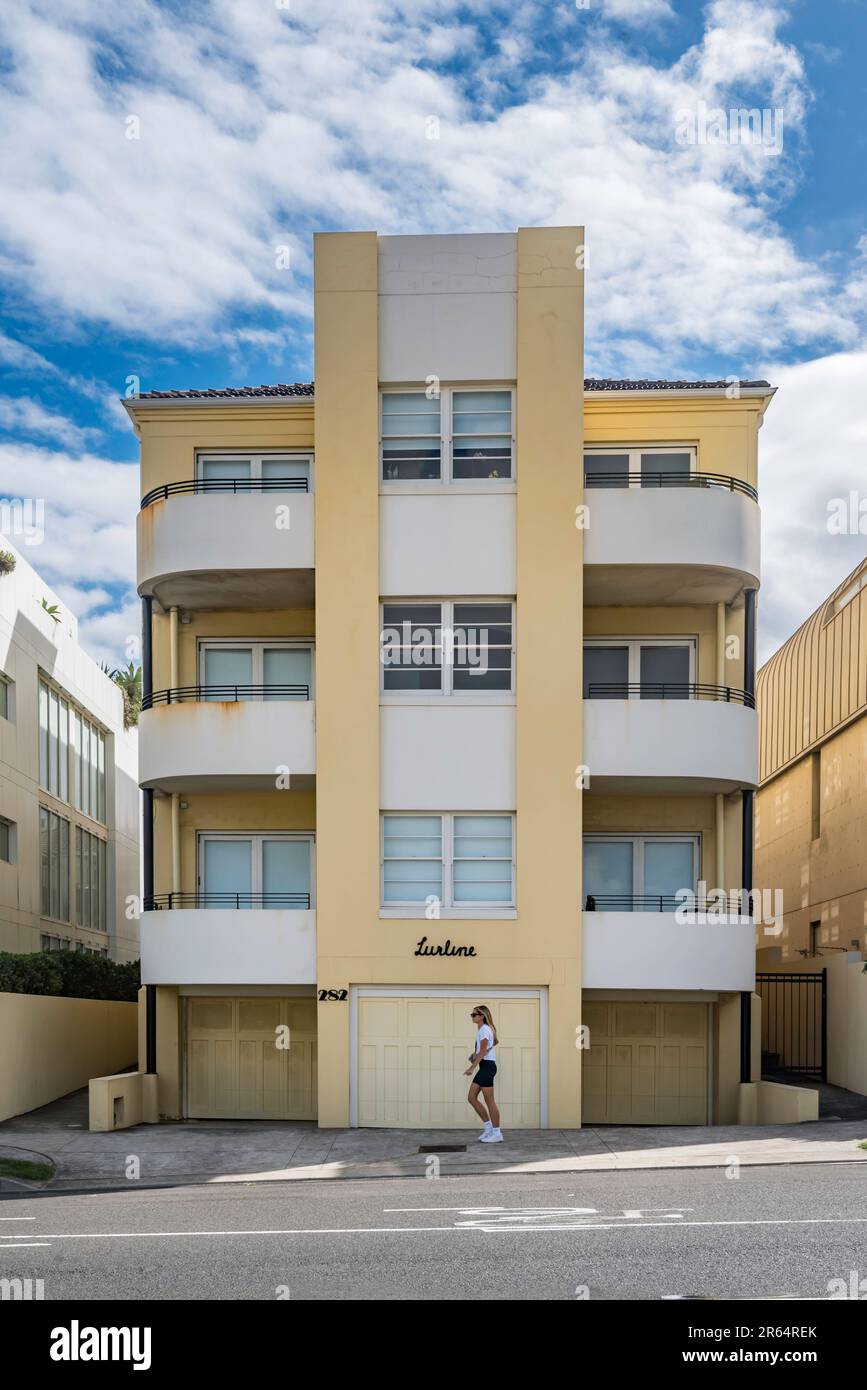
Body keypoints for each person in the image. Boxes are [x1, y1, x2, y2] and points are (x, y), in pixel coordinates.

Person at [465, 1005, 503, 1143]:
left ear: (482, 1016)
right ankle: (489, 1128)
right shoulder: (483, 1029)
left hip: (487, 1067)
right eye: (472, 1014)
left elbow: (482, 1051)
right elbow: (486, 1048)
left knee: (489, 1101)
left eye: (474, 1014)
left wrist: (472, 1067)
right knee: (471, 1097)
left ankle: (497, 1132)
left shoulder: (485, 1030)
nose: (472, 1016)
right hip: (485, 1067)